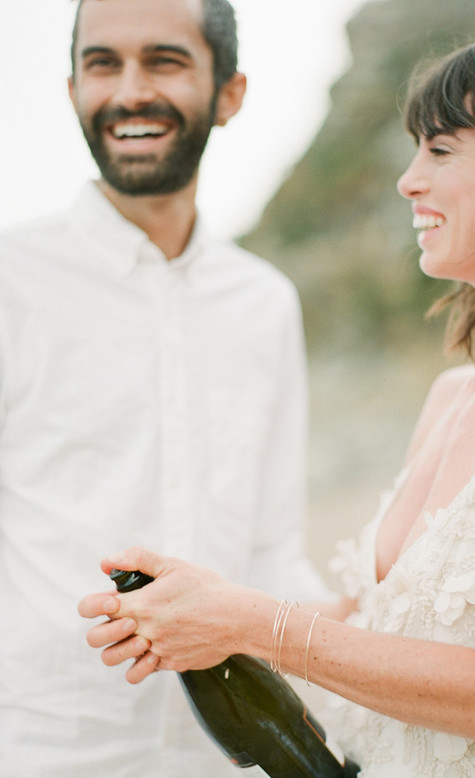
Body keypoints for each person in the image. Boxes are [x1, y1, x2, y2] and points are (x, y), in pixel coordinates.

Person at [79, 30, 475, 777]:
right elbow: (376, 627)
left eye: (440, 150)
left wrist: (257, 624)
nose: (407, 181)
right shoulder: (447, 399)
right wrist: (208, 609)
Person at [0, 0, 330, 776]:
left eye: (166, 60)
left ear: (230, 93)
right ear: (72, 87)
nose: (129, 90)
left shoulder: (265, 302)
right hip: (41, 751)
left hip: (233, 759)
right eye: (103, 63)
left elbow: (275, 549)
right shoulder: (10, 282)